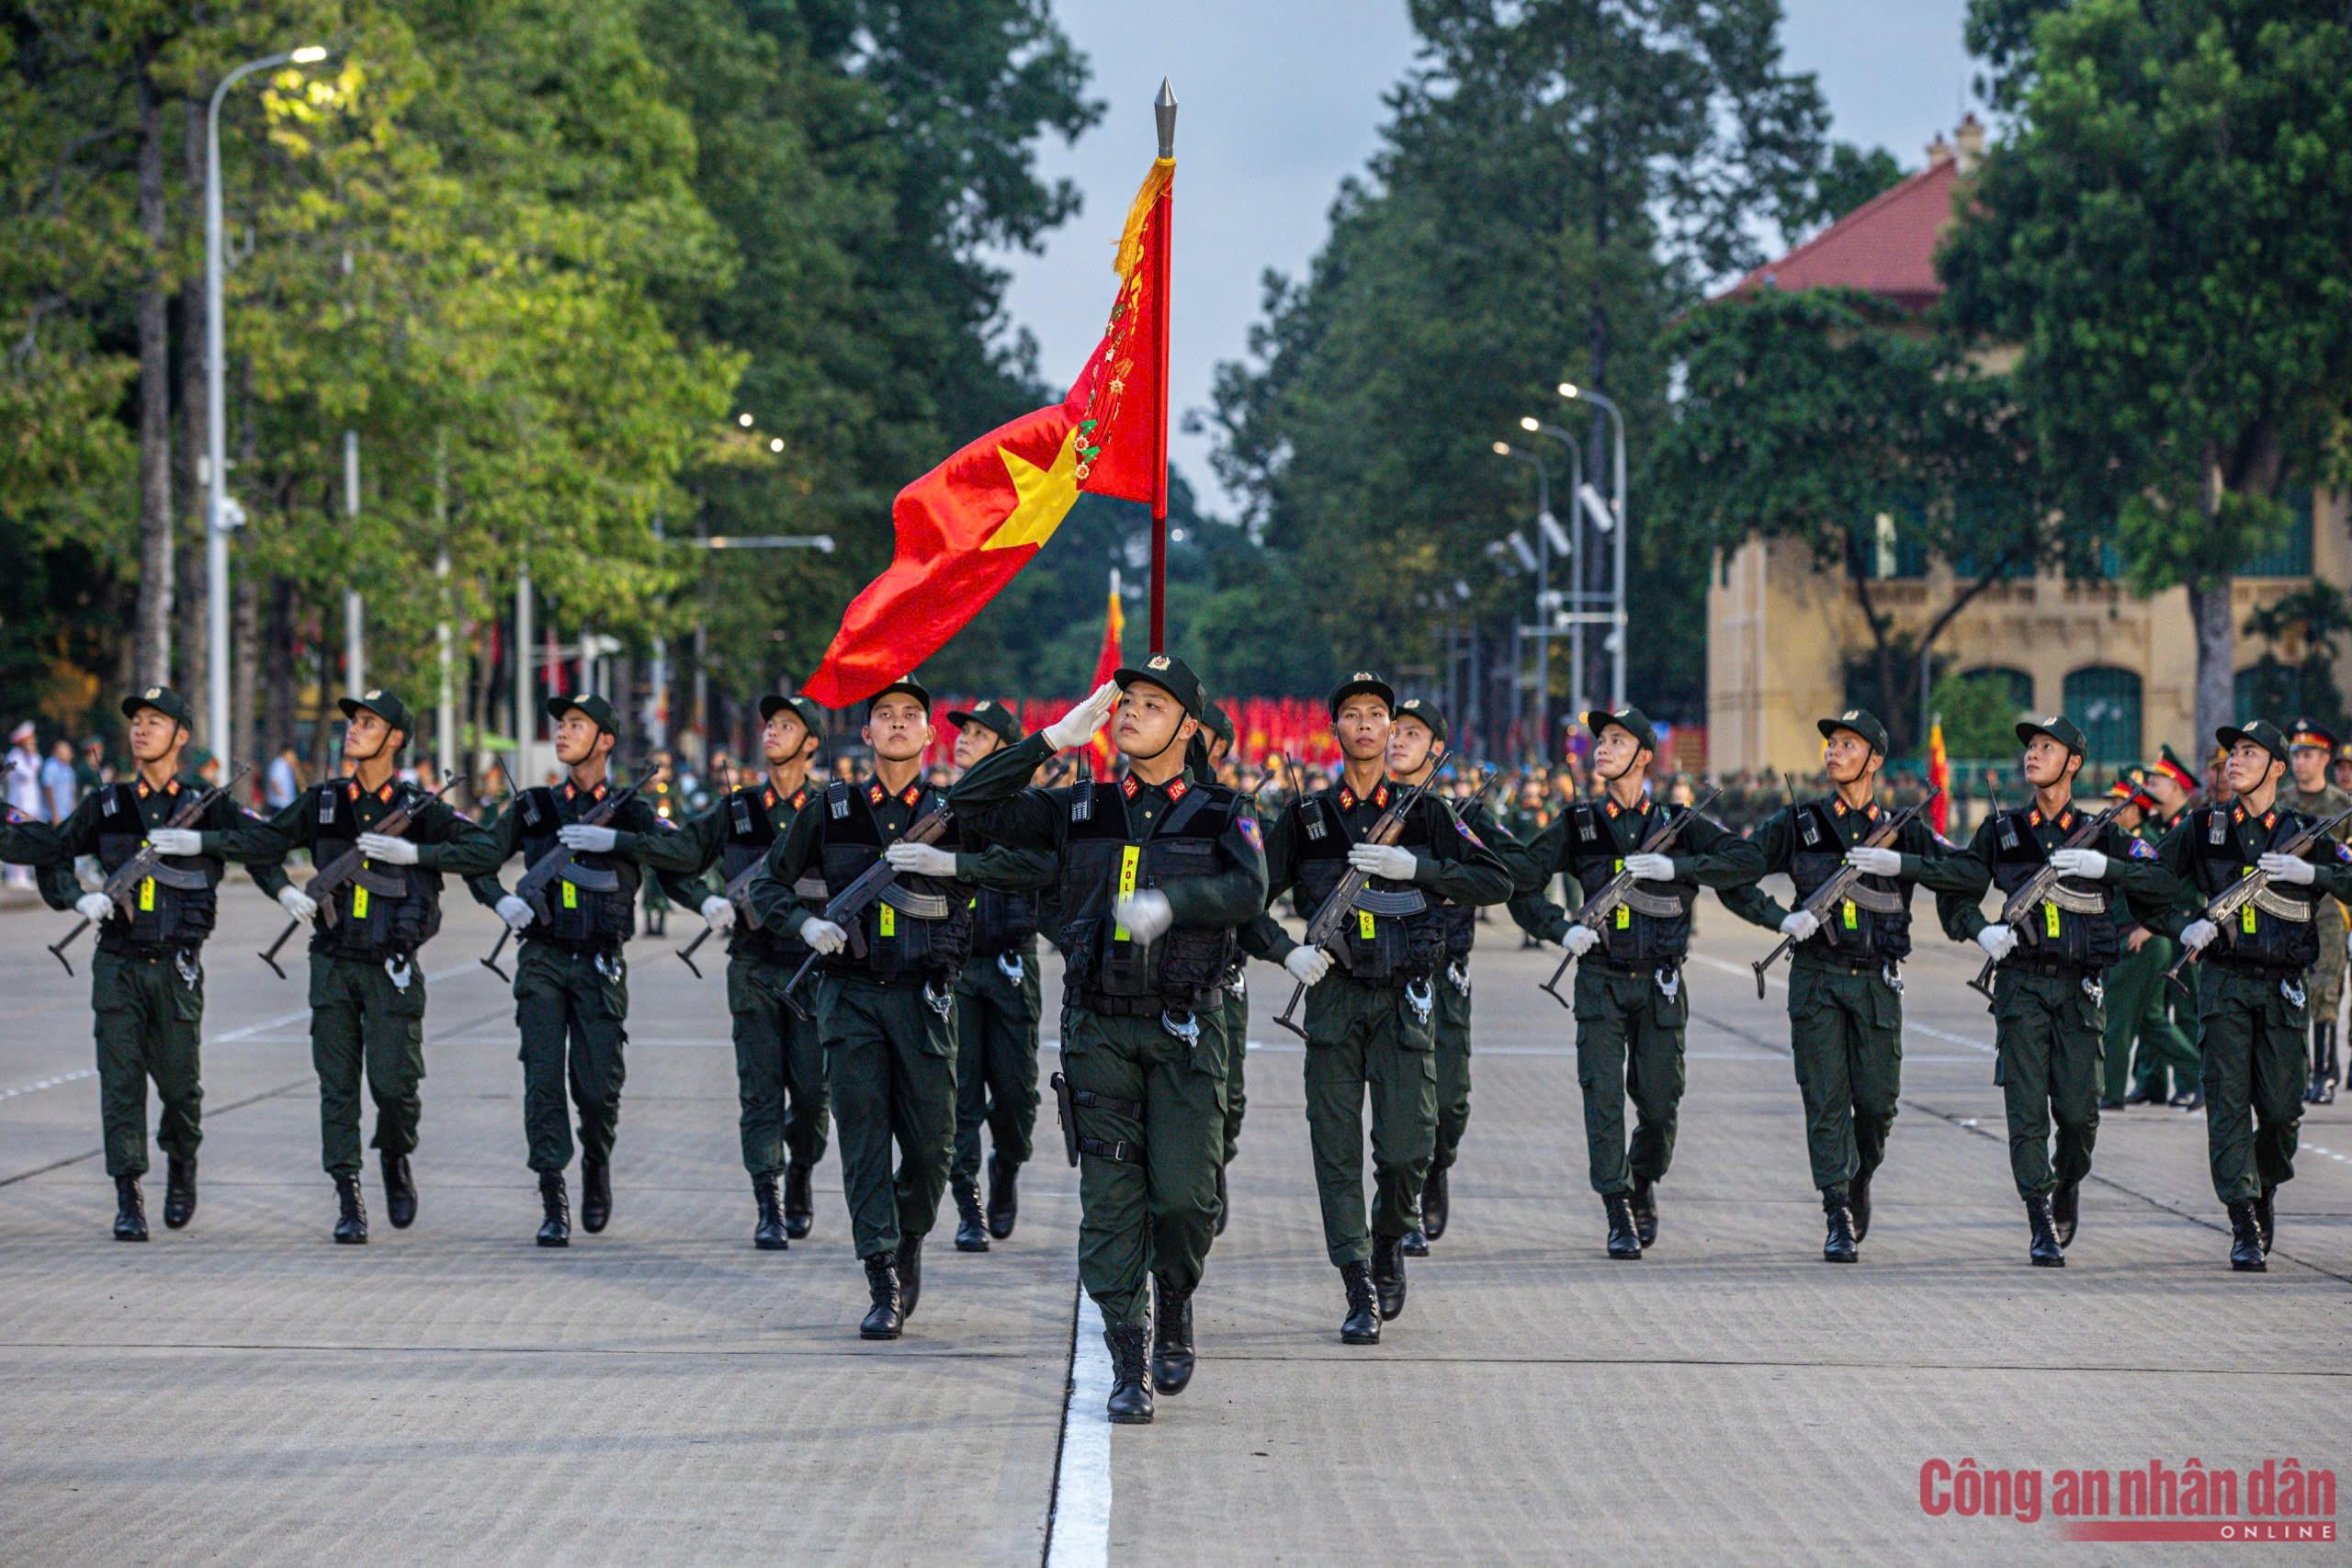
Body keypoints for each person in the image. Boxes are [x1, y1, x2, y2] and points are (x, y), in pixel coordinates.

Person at [950, 660, 1267, 1424]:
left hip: (1187, 1028)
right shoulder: (1081, 807)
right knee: (1111, 1201)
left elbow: (1250, 891)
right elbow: (967, 802)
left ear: (1187, 727)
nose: (1129, 715)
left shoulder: (1224, 811)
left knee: (1188, 1197)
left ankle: (1177, 1296)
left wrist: (1174, 901)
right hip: (1098, 1025)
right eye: (1125, 703)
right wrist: (1050, 740)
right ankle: (1129, 1357)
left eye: (1152, 705)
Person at [744, 676, 1046, 1339]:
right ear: (868, 731)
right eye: (885, 714)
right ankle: (880, 1272)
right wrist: (802, 924)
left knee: (933, 1146)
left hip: (926, 997)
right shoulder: (833, 808)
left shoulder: (954, 808)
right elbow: (768, 882)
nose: (899, 724)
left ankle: (910, 1237)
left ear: (930, 732)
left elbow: (1030, 865)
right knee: (861, 1139)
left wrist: (951, 863)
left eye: (911, 714)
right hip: (850, 995)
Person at [1243, 671, 1510, 1345]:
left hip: (1403, 1001)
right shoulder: (1308, 818)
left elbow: (1496, 877)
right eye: (1352, 714)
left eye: (1377, 715)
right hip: (1332, 996)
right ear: (1335, 730)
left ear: (1392, 730)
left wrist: (1413, 869)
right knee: (1335, 1152)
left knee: (1405, 1150)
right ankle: (1357, 1279)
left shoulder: (1427, 813)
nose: (1365, 724)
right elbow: (1243, 894)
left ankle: (1391, 1237)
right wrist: (1284, 950)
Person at [209, 689, 500, 1242]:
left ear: (395, 738)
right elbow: (261, 843)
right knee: (336, 1085)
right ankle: (348, 1196)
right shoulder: (324, 803)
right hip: (334, 963)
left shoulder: (419, 809)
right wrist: (283, 892)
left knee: (395, 1086)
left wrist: (419, 855)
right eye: (353, 721)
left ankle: (394, 1154)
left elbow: (484, 850)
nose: (354, 730)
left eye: (369, 723)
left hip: (391, 965)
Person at [35, 687, 294, 1239]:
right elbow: (55, 851)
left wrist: (201, 840)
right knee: (120, 1082)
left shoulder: (207, 801)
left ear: (181, 736)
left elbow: (264, 843)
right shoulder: (108, 804)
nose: (141, 729)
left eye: (156, 721)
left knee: (180, 1088)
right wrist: (78, 897)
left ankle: (182, 1162)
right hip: (119, 963)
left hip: (177, 966)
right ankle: (128, 1195)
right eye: (136, 721)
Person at [1517, 706, 1763, 1259]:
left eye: (1617, 740)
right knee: (1602, 1098)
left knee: (1659, 1104)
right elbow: (1521, 884)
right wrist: (1562, 929)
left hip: (1661, 984)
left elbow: (1745, 859)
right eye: (1600, 739)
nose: (1602, 748)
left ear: (1644, 756)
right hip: (1600, 980)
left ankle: (1643, 1178)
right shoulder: (1580, 825)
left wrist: (1679, 869)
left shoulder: (1678, 824)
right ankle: (1617, 1207)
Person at [464, 693, 704, 1246]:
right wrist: (500, 900)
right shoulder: (536, 807)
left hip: (600, 963)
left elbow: (685, 855)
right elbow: (476, 858)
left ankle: (596, 1160)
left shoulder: (631, 810)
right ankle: (553, 1195)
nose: (564, 732)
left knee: (598, 1088)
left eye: (577, 724)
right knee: (543, 1079)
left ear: (606, 740)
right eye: (561, 724)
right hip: (543, 958)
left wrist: (617, 840)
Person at [1939, 716, 2177, 1266]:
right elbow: (1956, 893)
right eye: (2030, 746)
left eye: (2048, 747)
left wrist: (2109, 867)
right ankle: (2040, 1218)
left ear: (2073, 762)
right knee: (2025, 1113)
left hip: (2080, 991)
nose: (2033, 754)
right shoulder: (2002, 833)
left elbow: (2163, 882)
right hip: (2020, 987)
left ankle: (2067, 1180)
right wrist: (1982, 931)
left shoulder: (2105, 833)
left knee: (2078, 1116)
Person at [2154, 719, 2352, 1270]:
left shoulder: (2306, 831)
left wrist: (2313, 876)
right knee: (2227, 1102)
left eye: (2249, 752)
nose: (2234, 761)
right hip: (2223, 983)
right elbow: (2147, 883)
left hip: (2285, 986)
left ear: (2277, 768)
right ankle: (2242, 1217)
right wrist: (2184, 923)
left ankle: (2263, 1186)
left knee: (2285, 1110)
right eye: (2231, 752)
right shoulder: (2201, 828)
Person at [667, 694, 832, 1247]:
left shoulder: (830, 809)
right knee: (760, 1091)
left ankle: (802, 1174)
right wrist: (703, 900)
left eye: (787, 726)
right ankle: (769, 1202)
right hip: (755, 967)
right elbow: (674, 859)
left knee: (811, 1097)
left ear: (811, 743)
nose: (772, 733)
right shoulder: (736, 812)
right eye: (769, 724)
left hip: (813, 972)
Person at [1385, 697, 1535, 1255]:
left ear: (1436, 751)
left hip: (1444, 974)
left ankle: (1436, 1167)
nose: (1398, 739)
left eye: (1413, 733)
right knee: (1400, 1104)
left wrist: (1448, 877)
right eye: (1393, 729)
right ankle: (1406, 1206)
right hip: (1386, 973)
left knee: (1449, 1103)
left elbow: (1518, 870)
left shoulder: (1460, 816)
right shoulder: (1369, 809)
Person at [940, 700, 1048, 1253]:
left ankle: (1006, 1168)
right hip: (957, 968)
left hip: (1010, 966)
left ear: (1005, 752)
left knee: (1014, 1097)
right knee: (959, 1094)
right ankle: (968, 1206)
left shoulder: (1029, 814)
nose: (963, 740)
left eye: (980, 735)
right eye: (963, 733)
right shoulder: (942, 811)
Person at [2096, 770, 2199, 1114]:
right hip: (2135, 941)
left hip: (2144, 942)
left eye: (2117, 803)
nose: (2111, 808)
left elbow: (2168, 888)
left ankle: (2109, 1091)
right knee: (2151, 1022)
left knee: (2116, 1018)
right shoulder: (2123, 839)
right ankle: (2204, 1075)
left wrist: (2151, 928)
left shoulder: (2146, 842)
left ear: (2133, 809)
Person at [1197, 699, 1250, 1235]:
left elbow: (1258, 889)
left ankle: (1216, 1162)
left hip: (1220, 978)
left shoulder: (1234, 808)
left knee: (1227, 1100)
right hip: (1144, 982)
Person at [2129, 746, 2207, 1109]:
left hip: (2186, 924)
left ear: (2177, 787)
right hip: (2160, 924)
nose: (2149, 785)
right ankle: (2151, 1081)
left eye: (2157, 780)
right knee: (2151, 1005)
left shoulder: (2190, 828)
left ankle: (2191, 1082)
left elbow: (2187, 886)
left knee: (2186, 1008)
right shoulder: (2155, 827)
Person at [2283, 719, 2350, 1103]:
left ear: (2325, 758)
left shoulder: (2343, 806)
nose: (2300, 763)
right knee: (2296, 988)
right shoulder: (2284, 801)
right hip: (2289, 907)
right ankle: (2300, 1069)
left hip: (2329, 909)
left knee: (2326, 987)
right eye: (2296, 755)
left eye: (2308, 755)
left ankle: (2324, 1074)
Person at [5, 720, 40, 886]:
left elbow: (37, 764)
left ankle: (22, 875)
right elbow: (27, 774)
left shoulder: (30, 756)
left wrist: (32, 754)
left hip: (30, 806)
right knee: (18, 838)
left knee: (26, 839)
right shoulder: (14, 756)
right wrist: (30, 755)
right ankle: (16, 877)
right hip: (18, 806)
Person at [41, 738, 77, 822]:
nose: (70, 754)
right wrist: (54, 814)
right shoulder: (50, 766)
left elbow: (71, 793)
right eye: (68, 751)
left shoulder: (68, 769)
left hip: (66, 815)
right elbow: (48, 790)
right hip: (54, 817)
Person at [265, 744, 302, 812]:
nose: (294, 756)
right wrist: (281, 795)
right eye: (292, 754)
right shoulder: (278, 764)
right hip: (278, 804)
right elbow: (274, 781)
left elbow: (299, 782)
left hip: (285, 804)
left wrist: (296, 768)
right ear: (286, 753)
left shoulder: (287, 766)